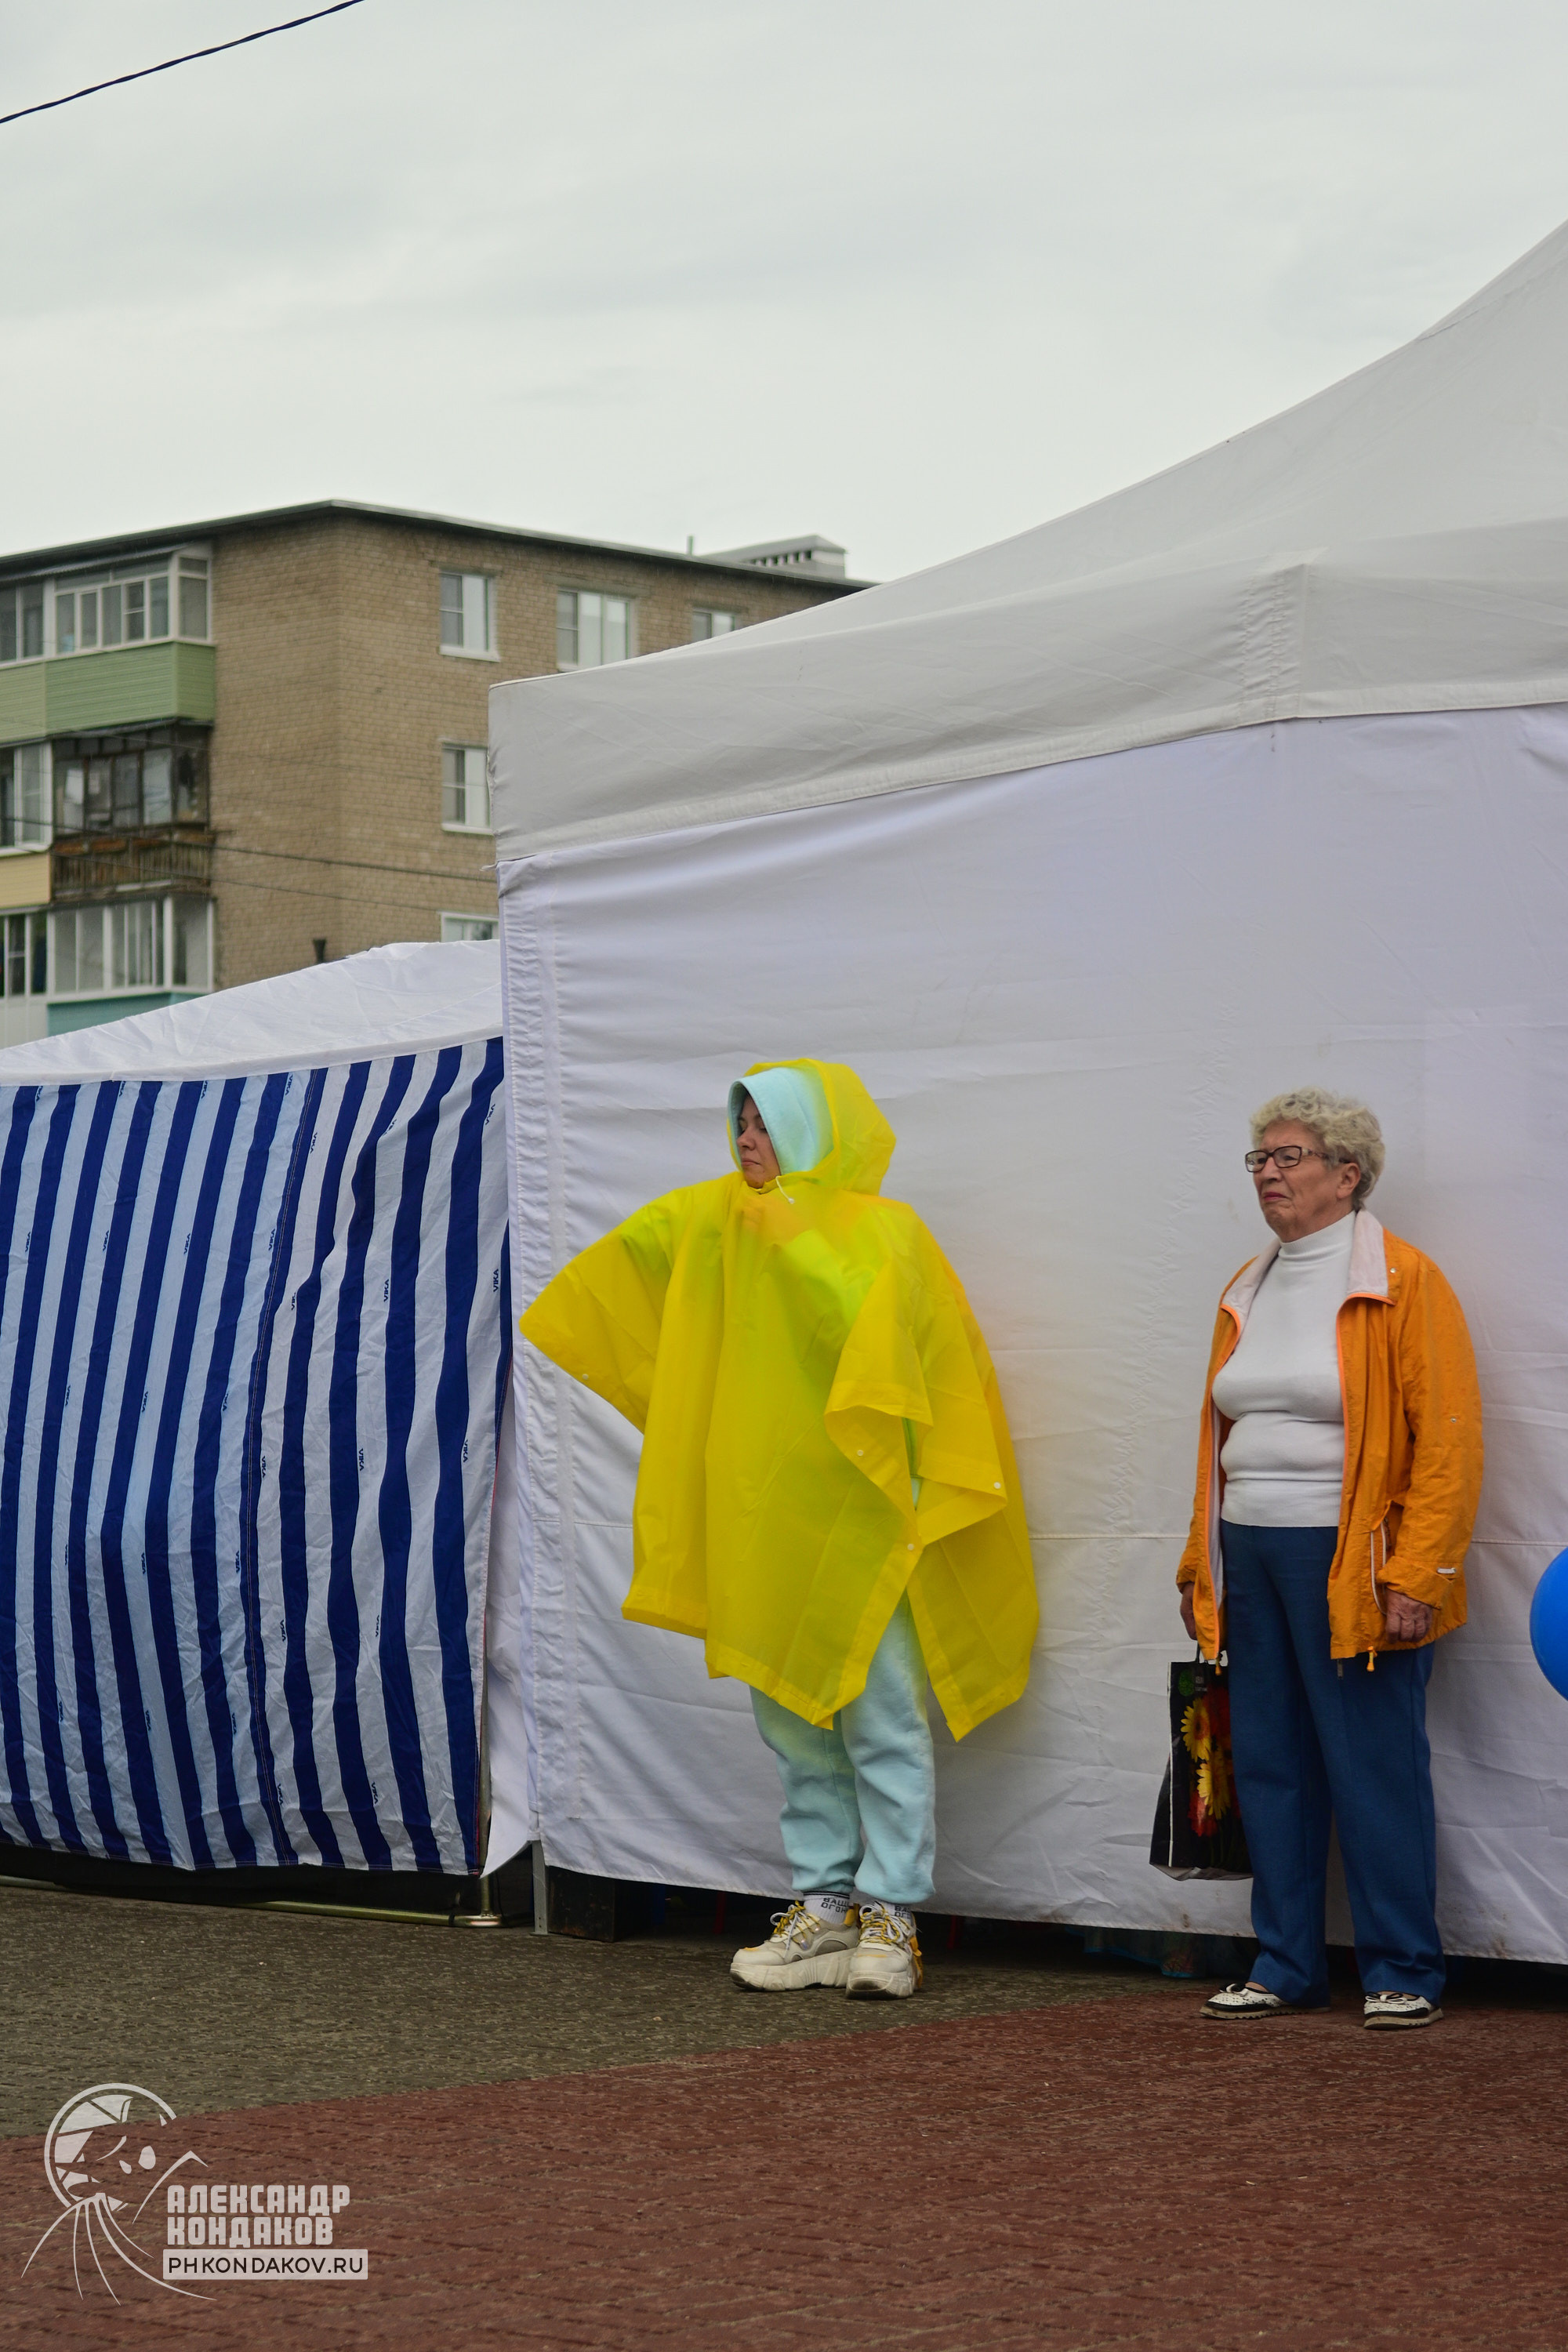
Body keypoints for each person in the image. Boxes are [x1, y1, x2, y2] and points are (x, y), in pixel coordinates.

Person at [519, 1058, 1037, 1999]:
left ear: (813, 1129)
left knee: (880, 1714)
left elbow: (905, 1352)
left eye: (764, 1121)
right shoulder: (713, 1218)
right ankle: (825, 1908)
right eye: (740, 1119)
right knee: (791, 1720)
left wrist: (790, 1230)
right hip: (763, 1515)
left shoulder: (883, 1230)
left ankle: (890, 1917)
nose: (745, 1137)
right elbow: (615, 1278)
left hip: (865, 1515)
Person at [1178, 1087, 1483, 2030]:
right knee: (1267, 1760)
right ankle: (1284, 1964)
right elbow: (1218, 1437)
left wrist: (1416, 1572)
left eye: (1288, 1156)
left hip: (1348, 1557)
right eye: (1258, 1158)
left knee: (1371, 1764)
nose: (1267, 1172)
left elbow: (1447, 1442)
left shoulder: (1402, 1279)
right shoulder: (1247, 1283)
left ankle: (1401, 1967)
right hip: (1250, 1551)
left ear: (1345, 1174)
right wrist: (1202, 1568)